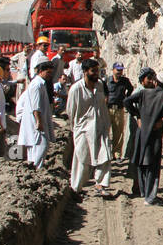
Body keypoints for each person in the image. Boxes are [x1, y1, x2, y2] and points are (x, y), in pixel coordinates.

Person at [125, 68, 163, 206]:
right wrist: (162, 120)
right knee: (153, 167)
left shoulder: (143, 93)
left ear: (156, 82)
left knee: (142, 163)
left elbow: (126, 102)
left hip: (141, 134)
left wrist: (137, 115)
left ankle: (144, 192)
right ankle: (150, 198)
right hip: (155, 136)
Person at [66, 58, 112, 196]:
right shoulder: (76, 89)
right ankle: (76, 188)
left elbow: (103, 105)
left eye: (97, 70)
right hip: (84, 129)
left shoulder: (99, 86)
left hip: (101, 126)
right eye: (93, 71)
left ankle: (101, 185)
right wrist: (75, 128)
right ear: (85, 72)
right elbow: (71, 111)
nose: (96, 73)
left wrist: (106, 124)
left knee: (105, 156)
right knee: (82, 158)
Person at [17, 59, 55, 168]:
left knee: (36, 147)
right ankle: (37, 169)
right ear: (41, 71)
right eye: (48, 72)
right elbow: (35, 106)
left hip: (37, 122)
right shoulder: (37, 85)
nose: (50, 75)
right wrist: (39, 121)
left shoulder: (40, 84)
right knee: (41, 146)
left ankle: (34, 169)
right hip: (36, 123)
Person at [105, 63, 134, 161]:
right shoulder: (107, 81)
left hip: (119, 109)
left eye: (121, 70)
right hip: (107, 109)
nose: (119, 72)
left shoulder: (125, 81)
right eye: (117, 70)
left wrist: (126, 99)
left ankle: (116, 154)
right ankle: (106, 154)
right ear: (113, 70)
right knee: (105, 132)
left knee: (118, 132)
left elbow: (130, 89)